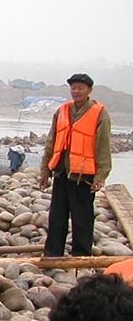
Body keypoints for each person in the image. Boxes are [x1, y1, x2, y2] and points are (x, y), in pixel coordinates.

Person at [40, 73, 112, 257]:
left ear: (89, 90)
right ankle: (52, 253)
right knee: (57, 216)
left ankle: (81, 255)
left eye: (80, 88)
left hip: (83, 176)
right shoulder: (62, 111)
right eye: (73, 88)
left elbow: (103, 146)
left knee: (82, 219)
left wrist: (101, 176)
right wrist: (45, 170)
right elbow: (51, 142)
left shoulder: (99, 113)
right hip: (62, 173)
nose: (76, 91)